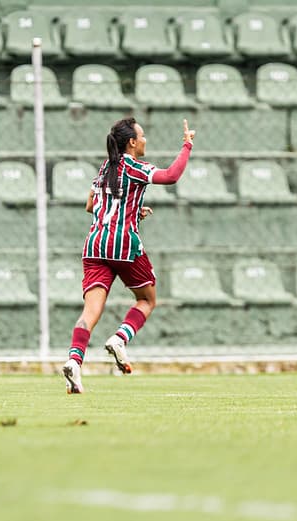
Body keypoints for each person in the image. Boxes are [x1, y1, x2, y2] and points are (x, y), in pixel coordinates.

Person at [62, 118, 196, 394]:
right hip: (123, 244)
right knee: (147, 299)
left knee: (90, 311)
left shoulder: (105, 168)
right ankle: (120, 339)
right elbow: (170, 176)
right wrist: (187, 145)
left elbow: (90, 205)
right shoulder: (133, 166)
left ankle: (74, 360)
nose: (145, 140)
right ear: (132, 142)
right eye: (142, 136)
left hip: (95, 245)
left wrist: (133, 211)